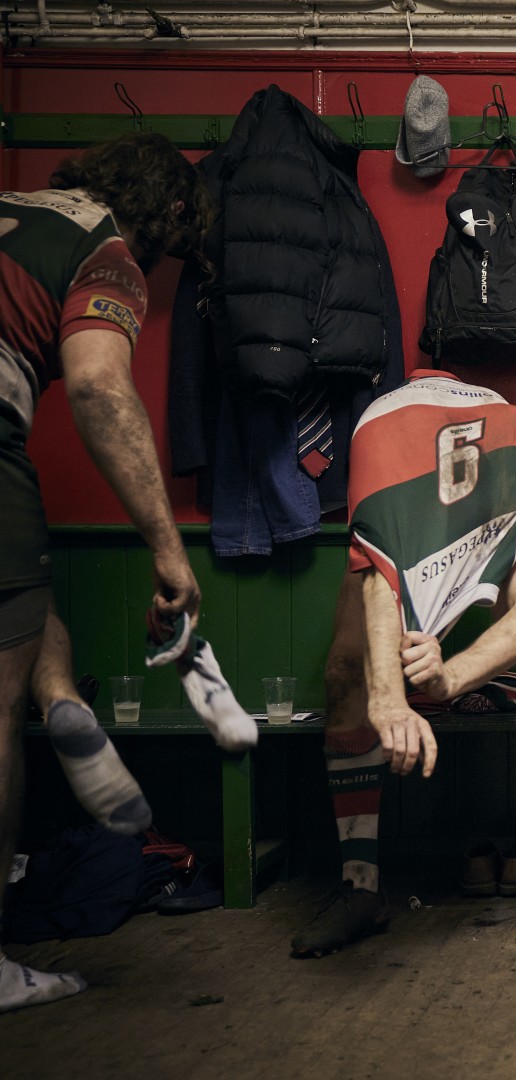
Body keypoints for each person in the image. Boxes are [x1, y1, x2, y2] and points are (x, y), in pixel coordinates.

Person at [291, 369, 516, 958]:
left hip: (498, 525)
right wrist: (387, 696)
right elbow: (379, 588)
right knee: (343, 674)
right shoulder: (381, 442)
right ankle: (359, 889)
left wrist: (449, 676)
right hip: (405, 525)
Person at [0, 133, 211, 1012]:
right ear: (167, 214)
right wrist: (168, 550)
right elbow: (96, 386)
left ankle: (62, 696)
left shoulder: (16, 220)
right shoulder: (106, 249)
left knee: (28, 611)